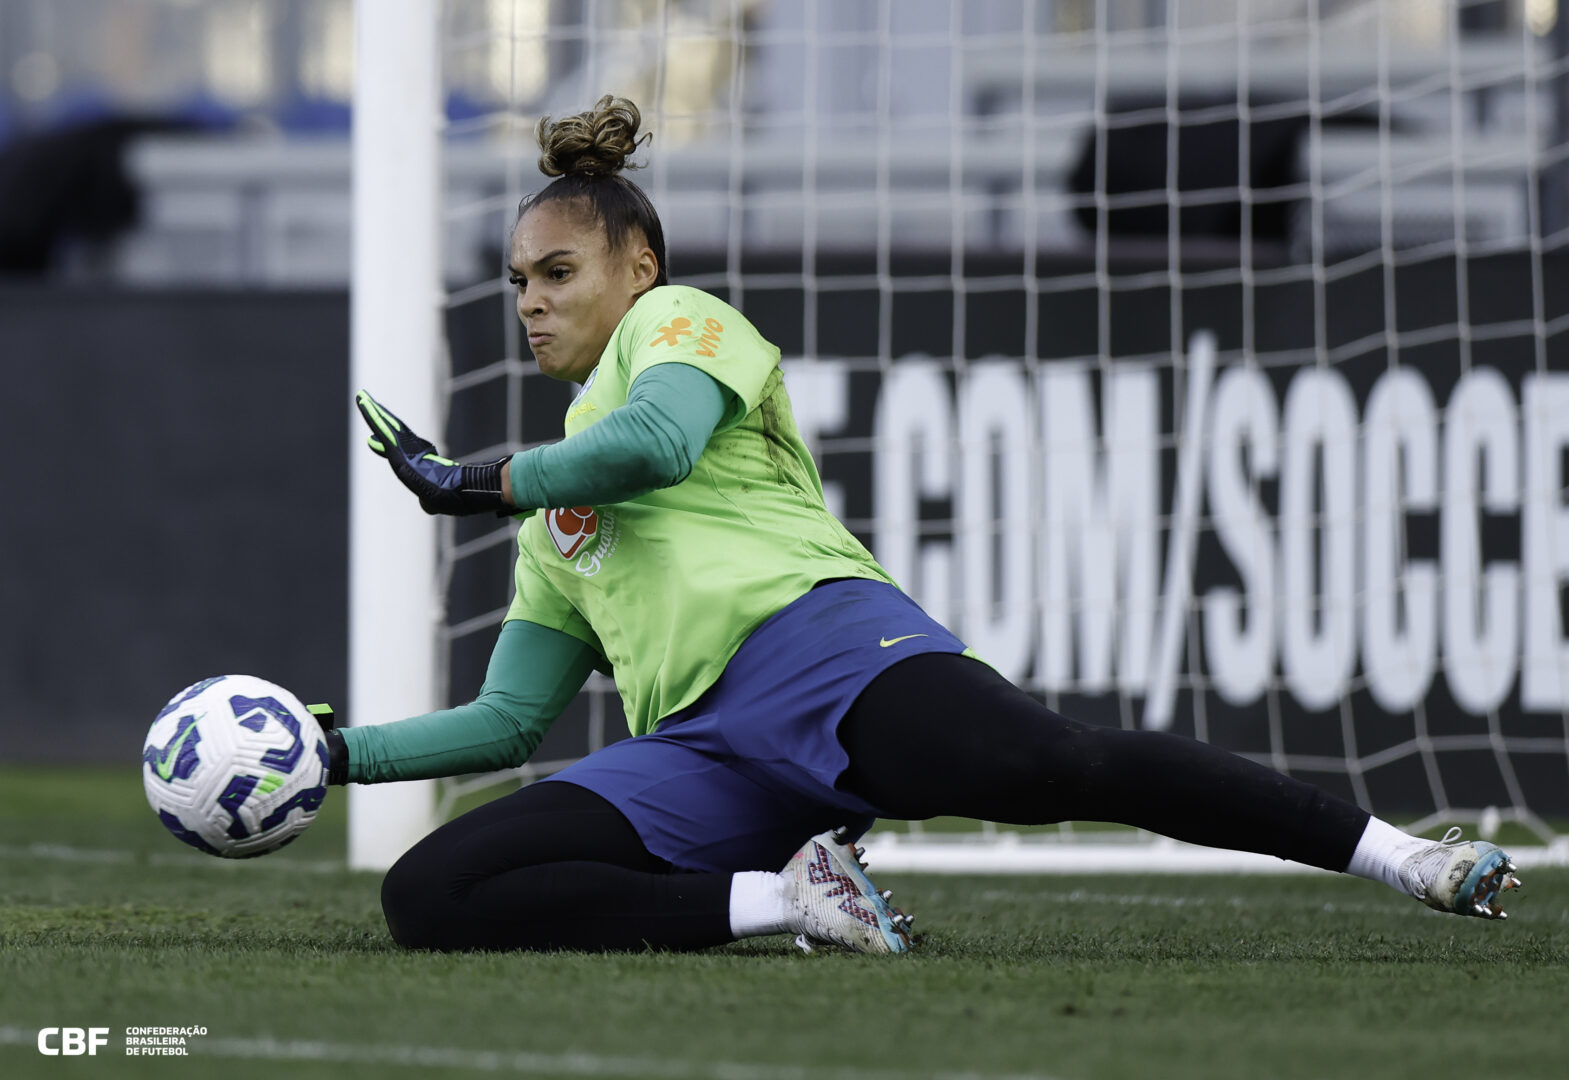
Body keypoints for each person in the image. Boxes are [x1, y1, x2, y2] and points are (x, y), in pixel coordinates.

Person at [333, 95, 1522, 954]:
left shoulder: (679, 326)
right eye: (518, 284)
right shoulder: (553, 520)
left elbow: (657, 446)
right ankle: (795, 900)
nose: (533, 303)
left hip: (820, 656)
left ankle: (1404, 856)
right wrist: (337, 758)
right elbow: (507, 723)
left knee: (1055, 763)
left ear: (637, 267)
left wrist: (481, 480)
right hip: (699, 752)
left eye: (558, 273)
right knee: (432, 896)